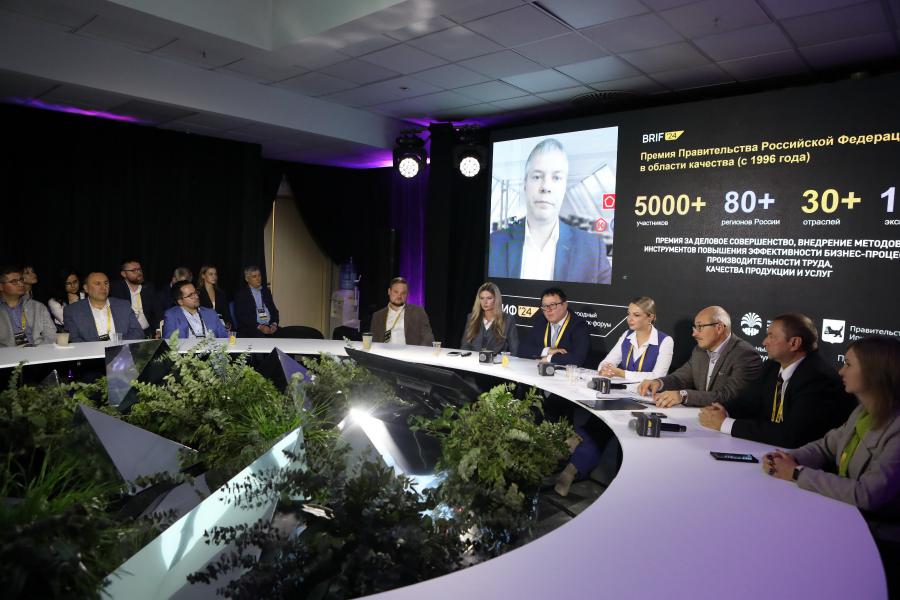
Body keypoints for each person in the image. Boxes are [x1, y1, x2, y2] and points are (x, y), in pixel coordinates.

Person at [764, 335, 900, 597]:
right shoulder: (862, 412)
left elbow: (868, 494)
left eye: (848, 364)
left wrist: (796, 473)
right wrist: (788, 457)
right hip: (850, 519)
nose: (840, 371)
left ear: (875, 372)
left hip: (880, 542)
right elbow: (827, 445)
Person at [699, 313, 855, 448]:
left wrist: (725, 424)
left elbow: (792, 435)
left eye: (771, 336)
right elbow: (749, 401)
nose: (764, 342)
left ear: (794, 343)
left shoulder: (818, 378)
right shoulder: (772, 366)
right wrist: (722, 411)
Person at [488, 138, 612, 284]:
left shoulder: (592, 249)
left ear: (564, 187)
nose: (546, 187)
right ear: (525, 184)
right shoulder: (493, 244)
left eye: (556, 178)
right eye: (537, 176)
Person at [637, 305, 761, 408]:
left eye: (700, 327)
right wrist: (659, 383)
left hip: (729, 423)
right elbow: (681, 378)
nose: (694, 334)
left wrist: (683, 396)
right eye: (695, 328)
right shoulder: (699, 351)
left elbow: (730, 396)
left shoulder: (745, 355)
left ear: (719, 328)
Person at [598, 296, 673, 382]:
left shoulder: (666, 341)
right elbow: (606, 363)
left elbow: (658, 376)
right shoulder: (626, 335)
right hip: (624, 388)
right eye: (629, 314)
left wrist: (622, 373)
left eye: (636, 315)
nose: (629, 319)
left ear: (650, 317)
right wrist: (605, 369)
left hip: (648, 390)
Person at [64, 272, 144, 342]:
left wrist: (118, 345)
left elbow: (137, 332)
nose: (103, 287)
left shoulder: (123, 305)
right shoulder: (72, 311)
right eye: (97, 284)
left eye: (106, 283)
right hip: (91, 354)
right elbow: (74, 339)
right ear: (86, 288)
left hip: (122, 352)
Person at [518, 286, 589, 366]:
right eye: (545, 306)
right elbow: (522, 349)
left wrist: (549, 358)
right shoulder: (541, 320)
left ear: (565, 305)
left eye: (552, 305)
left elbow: (578, 358)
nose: (548, 310)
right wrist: (547, 351)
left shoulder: (578, 325)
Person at [0, 266, 57, 347]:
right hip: (7, 354)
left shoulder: (38, 307)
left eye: (21, 280)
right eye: (14, 281)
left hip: (38, 351)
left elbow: (52, 335)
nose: (21, 284)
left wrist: (37, 350)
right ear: (1, 286)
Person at [371, 277, 434, 346]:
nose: (399, 296)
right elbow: (373, 341)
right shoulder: (378, 316)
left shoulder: (417, 312)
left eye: (403, 293)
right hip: (384, 351)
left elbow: (428, 338)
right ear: (389, 291)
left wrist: (416, 351)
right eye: (396, 292)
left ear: (407, 294)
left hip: (408, 352)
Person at [460, 282, 518, 354]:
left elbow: (514, 349)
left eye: (489, 298)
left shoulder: (507, 320)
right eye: (482, 298)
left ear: (496, 299)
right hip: (473, 360)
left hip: (497, 360)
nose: (485, 302)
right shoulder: (472, 317)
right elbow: (465, 346)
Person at [109, 259, 162, 338]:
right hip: (127, 335)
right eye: (134, 270)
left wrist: (159, 330)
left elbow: (158, 311)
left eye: (139, 269)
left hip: (148, 333)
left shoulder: (149, 288)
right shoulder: (115, 289)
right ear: (124, 274)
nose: (139, 273)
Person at [162, 281, 228, 339]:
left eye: (195, 292)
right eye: (191, 295)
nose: (196, 296)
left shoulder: (210, 313)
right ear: (180, 301)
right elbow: (169, 341)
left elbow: (224, 337)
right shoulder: (172, 315)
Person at [196, 264, 231, 330]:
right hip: (204, 326)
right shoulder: (197, 293)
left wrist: (228, 323)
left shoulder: (221, 293)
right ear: (203, 276)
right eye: (211, 274)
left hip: (221, 326)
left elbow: (226, 313)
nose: (214, 276)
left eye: (215, 274)